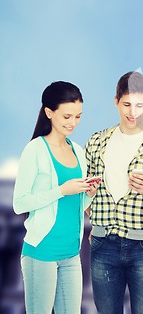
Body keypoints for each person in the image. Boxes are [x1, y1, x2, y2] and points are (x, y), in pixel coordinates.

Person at [85, 71, 143, 314]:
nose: (133, 112)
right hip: (102, 244)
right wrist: (95, 219)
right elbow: (84, 192)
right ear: (116, 101)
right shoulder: (96, 142)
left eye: (139, 105)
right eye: (127, 104)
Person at [13, 81, 98, 313]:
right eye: (67, 116)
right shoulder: (35, 150)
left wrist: (89, 193)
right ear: (49, 113)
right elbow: (19, 203)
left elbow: (75, 205)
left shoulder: (79, 152)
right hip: (41, 253)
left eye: (78, 117)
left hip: (71, 253)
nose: (73, 123)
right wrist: (61, 190)